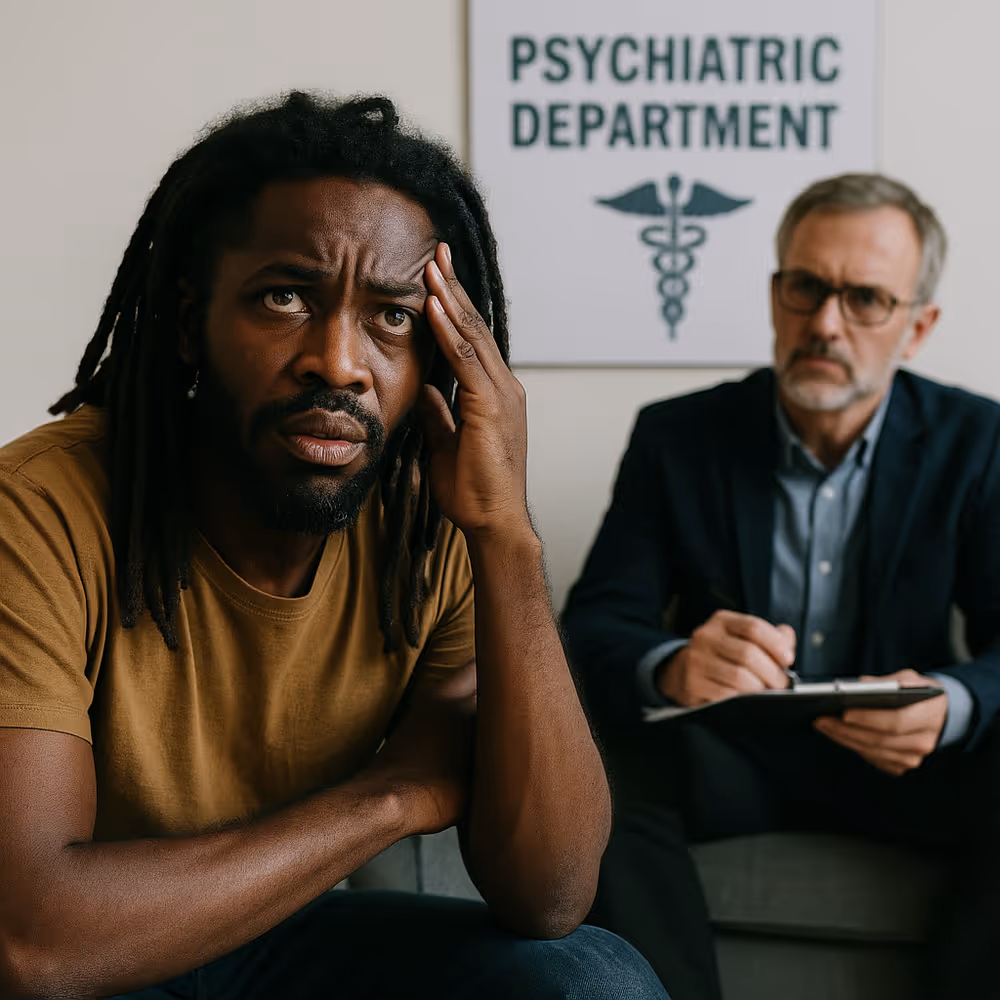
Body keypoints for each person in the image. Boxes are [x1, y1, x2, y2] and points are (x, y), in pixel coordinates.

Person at [0, 93, 667, 1000]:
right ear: (192, 321)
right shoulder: (38, 511)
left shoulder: (435, 525)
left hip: (277, 936)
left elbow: (548, 894)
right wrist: (392, 797)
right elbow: (34, 942)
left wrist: (505, 533)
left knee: (592, 979)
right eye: (285, 297)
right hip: (99, 944)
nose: (340, 361)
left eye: (393, 315)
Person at [562, 173, 1000, 1000]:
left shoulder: (977, 441)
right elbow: (594, 623)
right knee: (589, 751)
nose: (825, 323)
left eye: (865, 298)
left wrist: (952, 702)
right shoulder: (677, 436)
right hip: (736, 758)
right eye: (806, 287)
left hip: (909, 766)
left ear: (919, 326)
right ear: (775, 294)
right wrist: (672, 664)